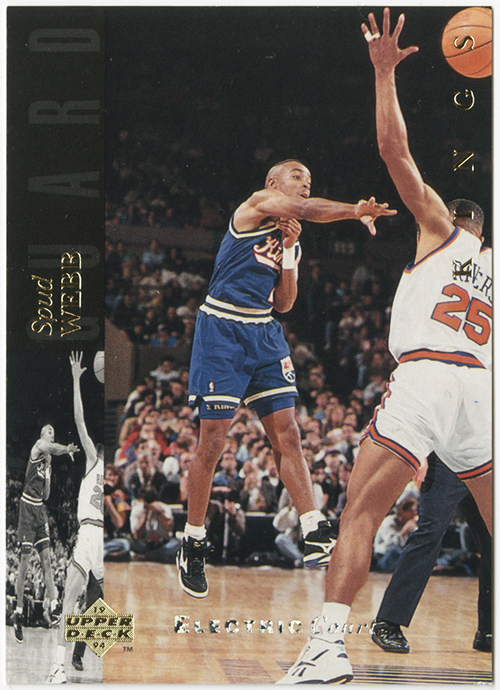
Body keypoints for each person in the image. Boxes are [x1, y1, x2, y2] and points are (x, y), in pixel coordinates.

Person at [279, 10, 491, 683]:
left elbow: (394, 152)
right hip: (483, 391)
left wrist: (383, 74)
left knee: (359, 514)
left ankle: (325, 651)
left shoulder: (439, 227)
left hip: (427, 378)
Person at [177, 157, 396, 598]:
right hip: (222, 329)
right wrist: (355, 210)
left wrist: (292, 252)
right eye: (298, 177)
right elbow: (307, 208)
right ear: (273, 183)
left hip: (264, 330)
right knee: (213, 443)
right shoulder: (256, 205)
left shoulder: (288, 235)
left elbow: (284, 303)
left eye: (309, 180)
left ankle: (313, 527)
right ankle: (193, 541)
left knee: (289, 435)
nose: (305, 185)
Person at [371, 453, 491, 654]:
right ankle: (387, 622)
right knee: (429, 534)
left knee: (493, 543)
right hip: (446, 460)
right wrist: (421, 457)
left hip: (484, 462)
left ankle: (488, 631)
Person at [48, 352, 104, 683]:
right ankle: (67, 660)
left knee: (82, 604)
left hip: (98, 537)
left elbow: (80, 422)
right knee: (82, 601)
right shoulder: (98, 461)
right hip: (97, 536)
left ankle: (67, 660)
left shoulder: (104, 464)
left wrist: (75, 380)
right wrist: (75, 380)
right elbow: (80, 422)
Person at [13, 423, 79, 643]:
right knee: (24, 564)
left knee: (47, 562)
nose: (52, 435)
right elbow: (52, 448)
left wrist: (49, 470)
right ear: (43, 435)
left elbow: (47, 495)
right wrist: (66, 449)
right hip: (27, 509)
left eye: (54, 433)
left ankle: (54, 605)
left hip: (40, 510)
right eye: (50, 432)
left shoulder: (46, 462)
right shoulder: (38, 447)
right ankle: (19, 612)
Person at [373, 497, 418, 572]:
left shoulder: (409, 524)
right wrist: (403, 532)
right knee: (395, 551)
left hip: (400, 557)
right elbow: (389, 544)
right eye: (412, 511)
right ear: (402, 511)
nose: (414, 514)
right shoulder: (389, 522)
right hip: (385, 557)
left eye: (416, 511)